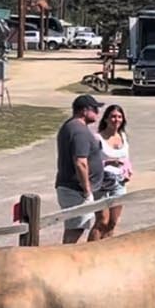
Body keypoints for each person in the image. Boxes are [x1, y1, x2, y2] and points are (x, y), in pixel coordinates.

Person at [55, 93, 104, 244]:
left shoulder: (70, 126)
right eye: (95, 109)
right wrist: (87, 190)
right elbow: (80, 162)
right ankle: (64, 262)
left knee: (78, 227)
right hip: (76, 190)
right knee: (75, 229)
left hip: (73, 188)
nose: (98, 113)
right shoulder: (79, 131)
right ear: (84, 110)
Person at [92, 104, 132, 239]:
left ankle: (106, 248)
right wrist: (109, 162)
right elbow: (91, 162)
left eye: (119, 117)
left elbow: (126, 158)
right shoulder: (98, 139)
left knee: (113, 222)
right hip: (102, 183)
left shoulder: (123, 136)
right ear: (106, 119)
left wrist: (128, 171)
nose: (116, 120)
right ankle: (91, 249)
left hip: (119, 182)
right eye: (113, 117)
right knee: (102, 220)